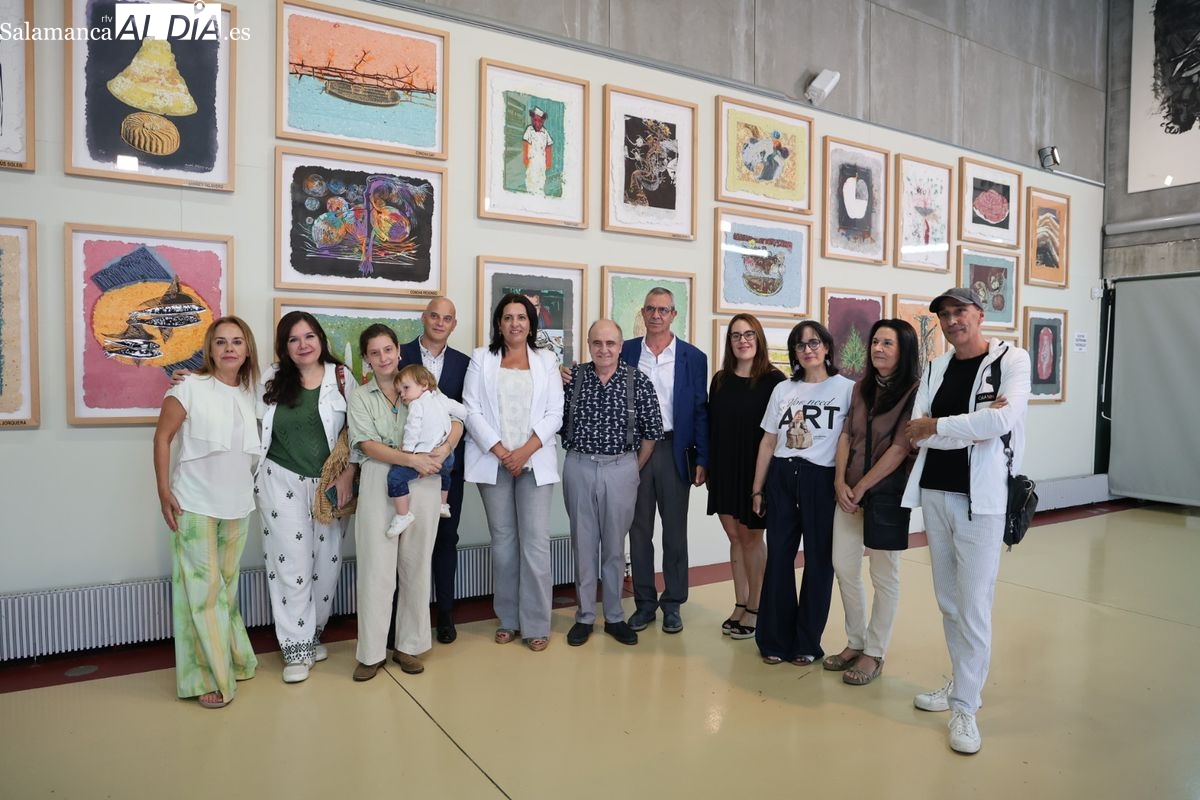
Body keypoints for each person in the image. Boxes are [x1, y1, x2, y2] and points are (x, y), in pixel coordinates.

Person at [903, 287, 1030, 755]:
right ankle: (960, 683)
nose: (952, 320)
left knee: (974, 606)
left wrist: (940, 425)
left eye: (960, 311)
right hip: (936, 493)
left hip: (983, 502)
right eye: (944, 314)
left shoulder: (1011, 361)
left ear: (979, 314)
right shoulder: (935, 367)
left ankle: (966, 708)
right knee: (949, 602)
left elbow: (1000, 423)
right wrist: (969, 425)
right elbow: (914, 431)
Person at [153, 316, 261, 709]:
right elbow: (162, 437)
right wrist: (163, 491)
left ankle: (236, 660)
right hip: (194, 504)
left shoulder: (252, 393)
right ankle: (211, 678)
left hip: (238, 506)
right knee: (202, 596)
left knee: (225, 592)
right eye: (221, 342)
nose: (229, 348)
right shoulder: (188, 387)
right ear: (209, 349)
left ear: (247, 350)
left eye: (237, 341)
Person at [348, 324, 462, 680]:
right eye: (374, 352)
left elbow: (456, 420)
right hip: (380, 480)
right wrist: (412, 459)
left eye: (388, 349)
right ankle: (371, 653)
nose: (383, 357)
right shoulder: (361, 396)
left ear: (399, 351)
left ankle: (409, 647)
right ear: (366, 359)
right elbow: (366, 444)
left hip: (426, 481)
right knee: (376, 570)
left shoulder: (420, 383)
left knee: (416, 566)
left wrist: (444, 449)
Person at [257, 311, 357, 684]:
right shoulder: (270, 377)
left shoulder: (342, 376)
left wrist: (348, 474)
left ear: (321, 339)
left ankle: (312, 636)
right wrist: (190, 379)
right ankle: (295, 649)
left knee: (327, 567)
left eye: (309, 336)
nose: (303, 345)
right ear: (284, 346)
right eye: (294, 339)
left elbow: (359, 431)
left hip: (329, 485)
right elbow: (238, 403)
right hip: (279, 480)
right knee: (291, 565)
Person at [464, 294, 564, 652]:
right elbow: (471, 410)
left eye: (521, 317)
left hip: (534, 461)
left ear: (531, 324)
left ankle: (536, 623)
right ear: (499, 323)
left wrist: (524, 452)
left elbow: (555, 413)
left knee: (535, 544)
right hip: (494, 461)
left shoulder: (547, 360)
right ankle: (508, 618)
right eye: (508, 317)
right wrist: (502, 452)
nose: (515, 323)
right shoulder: (481, 358)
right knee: (504, 545)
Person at [750, 320, 854, 666]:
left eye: (814, 343)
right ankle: (774, 640)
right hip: (782, 476)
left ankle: (807, 642)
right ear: (794, 353)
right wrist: (757, 488)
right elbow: (768, 441)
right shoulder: (783, 390)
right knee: (779, 557)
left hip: (821, 479)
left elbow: (849, 440)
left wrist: (842, 482)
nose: (808, 350)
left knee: (819, 561)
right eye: (800, 345)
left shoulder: (846, 390)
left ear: (827, 347)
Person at [825, 319, 921, 686]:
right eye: (875, 342)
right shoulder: (860, 388)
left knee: (884, 574)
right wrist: (840, 481)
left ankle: (875, 651)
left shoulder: (914, 391)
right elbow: (846, 435)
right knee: (843, 565)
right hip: (849, 491)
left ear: (904, 350)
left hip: (887, 495)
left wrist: (863, 486)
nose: (877, 349)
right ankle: (855, 641)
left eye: (887, 343)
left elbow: (899, 448)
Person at [560, 319, 664, 647]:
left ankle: (615, 616)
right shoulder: (572, 379)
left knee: (615, 547)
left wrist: (631, 468)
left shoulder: (638, 381)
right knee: (583, 545)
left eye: (610, 343)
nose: (603, 349)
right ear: (589, 345)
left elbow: (651, 433)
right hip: (579, 465)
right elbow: (552, 419)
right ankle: (585, 617)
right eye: (597, 343)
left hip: (622, 467)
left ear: (620, 346)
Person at [621, 287, 709, 635]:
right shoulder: (627, 350)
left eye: (663, 310)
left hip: (675, 451)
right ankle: (644, 604)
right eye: (651, 309)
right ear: (643, 313)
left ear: (674, 315)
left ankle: (673, 603)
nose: (656, 315)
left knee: (674, 532)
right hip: (635, 453)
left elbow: (700, 410)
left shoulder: (693, 357)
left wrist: (703, 458)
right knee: (639, 531)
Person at [706, 314, 785, 640]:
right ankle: (740, 602)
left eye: (749, 334)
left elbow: (775, 435)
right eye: (736, 335)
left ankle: (756, 606)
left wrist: (762, 484)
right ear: (730, 342)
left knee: (752, 539)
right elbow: (712, 426)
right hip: (724, 470)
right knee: (734, 537)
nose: (743, 340)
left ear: (759, 338)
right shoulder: (720, 380)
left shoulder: (775, 381)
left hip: (756, 473)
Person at [399, 297, 470, 644]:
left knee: (446, 539)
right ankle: (400, 620)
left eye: (447, 318)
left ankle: (445, 614)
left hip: (447, 469)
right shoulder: (400, 354)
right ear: (423, 318)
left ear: (454, 324)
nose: (440, 323)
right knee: (404, 543)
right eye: (434, 316)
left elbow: (464, 413)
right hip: (407, 466)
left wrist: (446, 449)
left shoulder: (463, 363)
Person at [385, 364, 467, 538]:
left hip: (425, 455)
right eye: (400, 392)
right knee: (445, 476)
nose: (403, 395)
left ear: (423, 384)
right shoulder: (441, 399)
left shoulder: (416, 405)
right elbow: (462, 411)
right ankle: (443, 504)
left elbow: (412, 429)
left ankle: (403, 514)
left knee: (395, 477)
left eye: (406, 388)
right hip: (446, 456)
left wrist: (407, 452)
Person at [522, 106, 553, 196]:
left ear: (543, 121)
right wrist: (525, 158)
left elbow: (548, 146)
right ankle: (530, 193)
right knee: (530, 178)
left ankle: (539, 194)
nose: (537, 123)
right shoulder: (529, 130)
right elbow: (525, 143)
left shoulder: (545, 132)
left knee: (541, 178)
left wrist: (548, 161)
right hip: (532, 160)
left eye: (540, 121)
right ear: (532, 119)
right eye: (535, 120)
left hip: (541, 161)